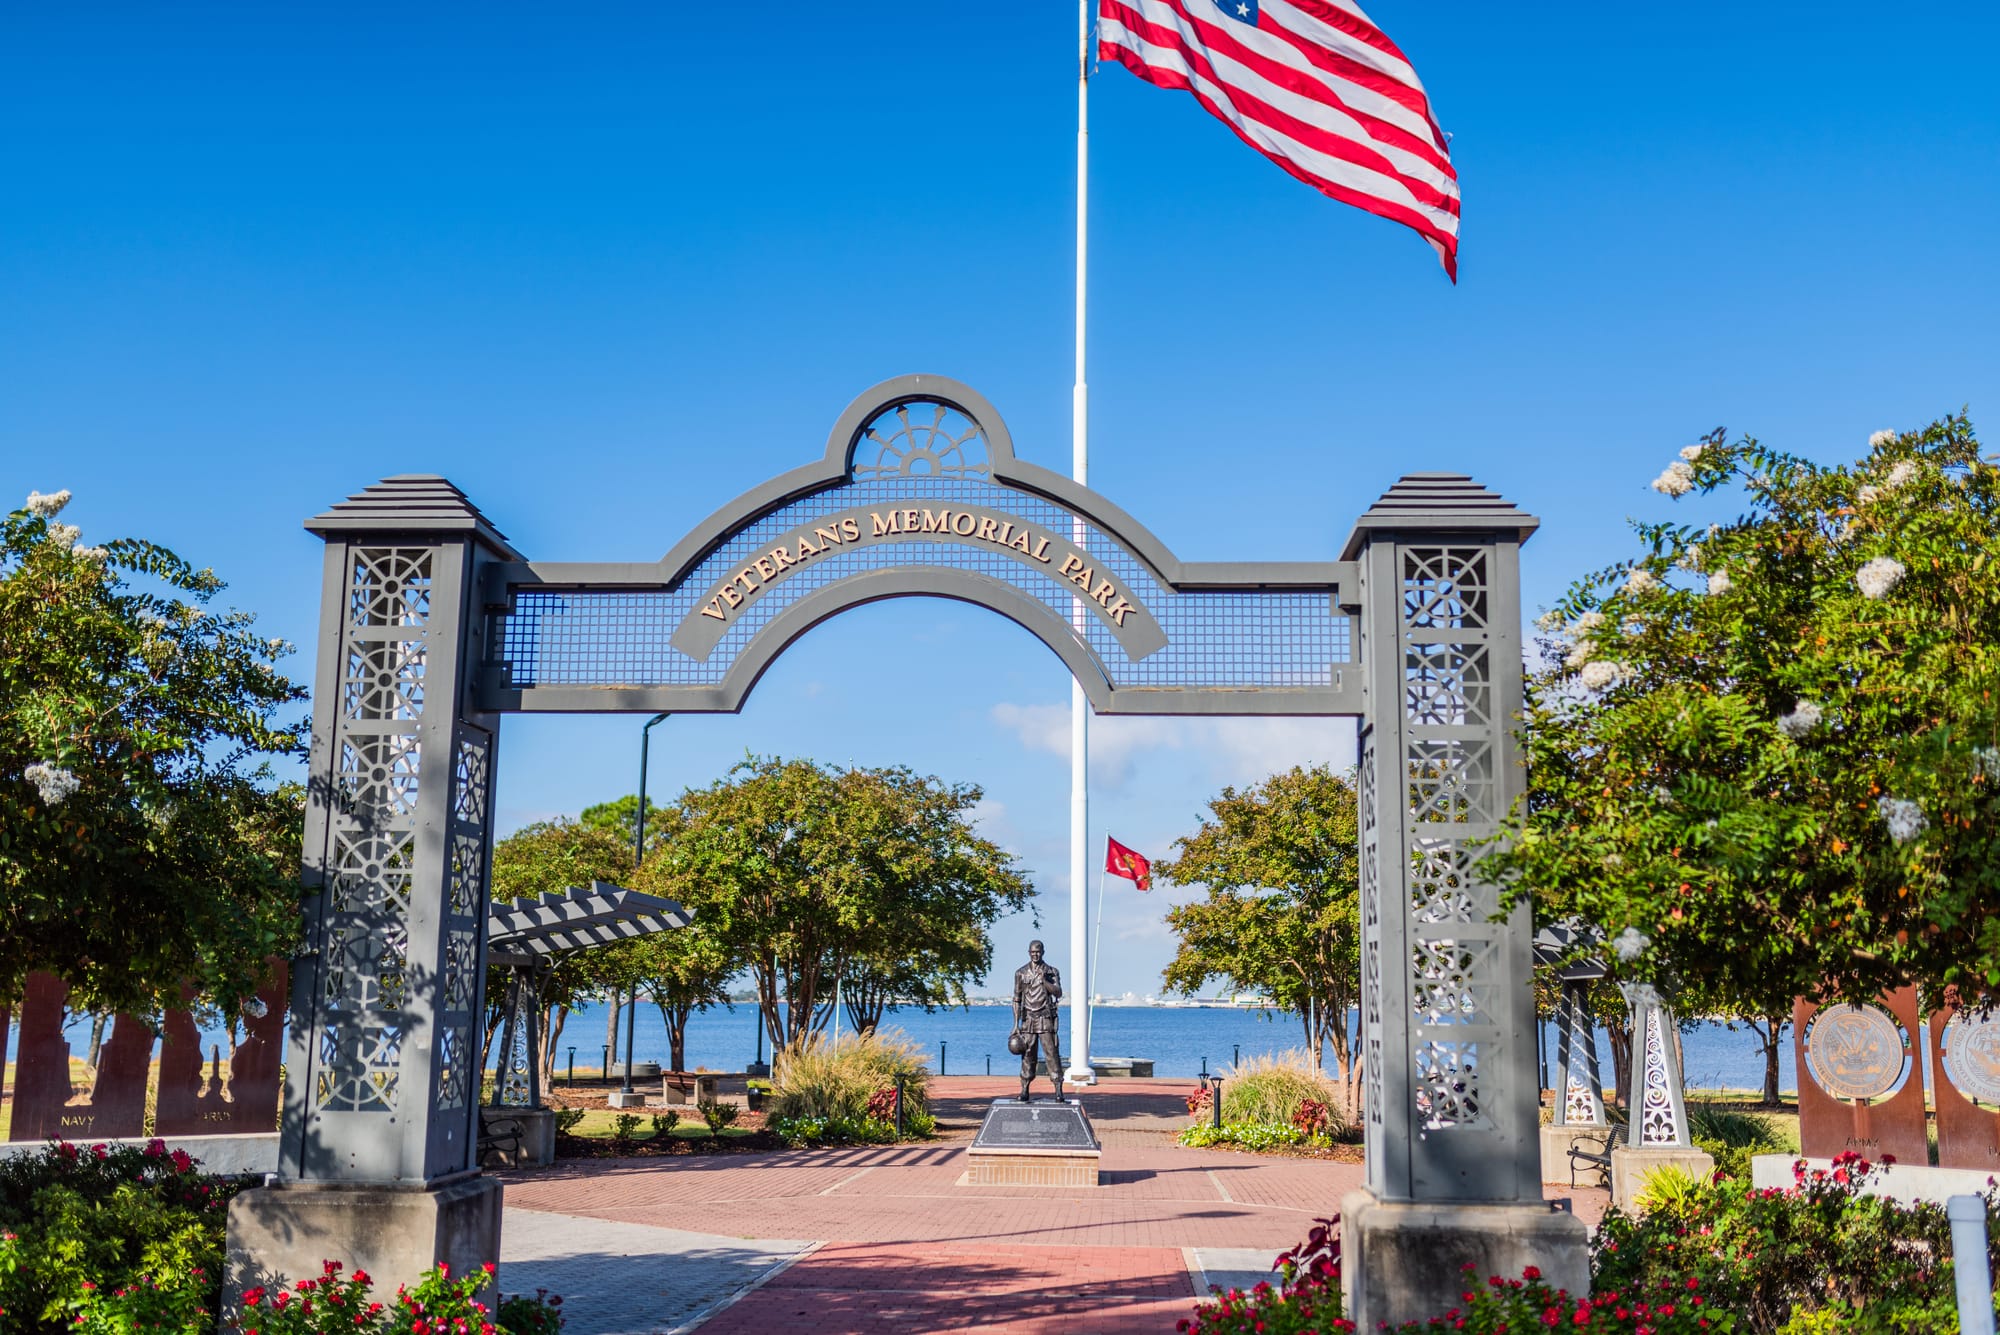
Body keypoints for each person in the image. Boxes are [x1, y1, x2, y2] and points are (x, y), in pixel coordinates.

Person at [1011, 939, 1065, 1103]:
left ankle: (1058, 1089)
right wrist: (1015, 1025)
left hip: (1045, 1019)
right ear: (1029, 952)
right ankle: (1025, 1089)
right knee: (1028, 1056)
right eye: (1033, 952)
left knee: (1052, 1054)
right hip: (1028, 1020)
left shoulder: (1051, 971)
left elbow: (1058, 993)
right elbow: (1016, 999)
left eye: (1038, 951)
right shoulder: (1020, 973)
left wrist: (1044, 981)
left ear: (1043, 952)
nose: (1036, 954)